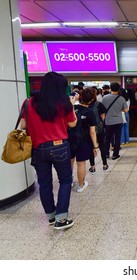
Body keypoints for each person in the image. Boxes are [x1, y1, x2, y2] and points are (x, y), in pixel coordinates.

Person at [20, 72, 77, 230]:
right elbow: (72, 124)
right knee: (65, 181)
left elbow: (23, 126)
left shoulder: (29, 103)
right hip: (59, 147)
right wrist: (71, 104)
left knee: (44, 183)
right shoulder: (64, 104)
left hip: (38, 149)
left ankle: (51, 216)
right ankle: (61, 218)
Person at [70, 88, 99, 193]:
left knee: (70, 161)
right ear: (92, 100)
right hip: (83, 140)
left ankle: (69, 182)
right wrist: (95, 146)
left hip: (70, 139)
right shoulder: (90, 112)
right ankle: (81, 186)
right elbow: (92, 132)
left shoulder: (72, 108)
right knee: (81, 163)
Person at [101, 82, 129, 160]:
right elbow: (126, 110)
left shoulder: (105, 98)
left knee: (107, 138)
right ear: (118, 89)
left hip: (108, 121)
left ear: (110, 88)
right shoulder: (121, 98)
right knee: (117, 138)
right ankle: (115, 154)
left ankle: (106, 154)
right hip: (118, 121)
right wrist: (120, 109)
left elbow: (102, 109)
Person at [88, 90, 108, 174]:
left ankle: (92, 167)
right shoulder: (99, 104)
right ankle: (104, 164)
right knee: (102, 146)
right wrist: (100, 122)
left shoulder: (84, 105)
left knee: (90, 148)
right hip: (99, 129)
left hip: (88, 130)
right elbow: (103, 115)